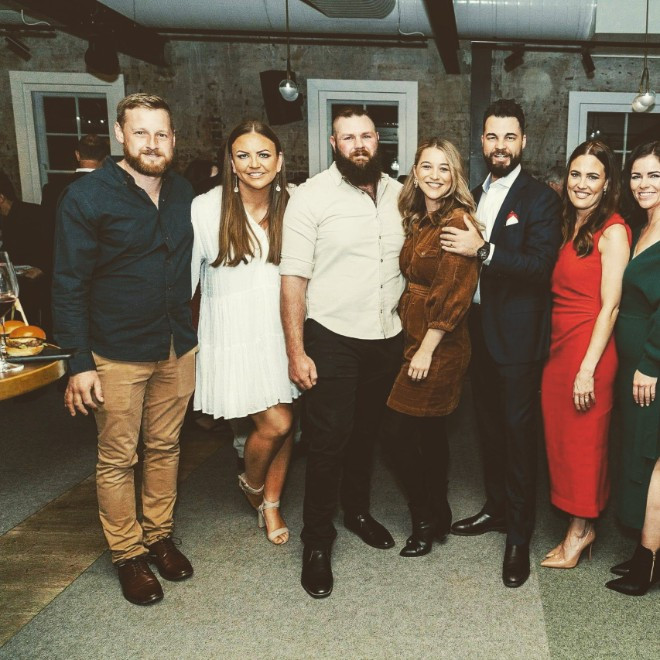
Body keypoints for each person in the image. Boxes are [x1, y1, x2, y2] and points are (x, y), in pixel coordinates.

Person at [52, 93, 197, 606]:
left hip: (176, 345)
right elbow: (68, 284)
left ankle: (158, 536)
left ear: (173, 139)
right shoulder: (86, 197)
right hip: (115, 351)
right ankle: (127, 553)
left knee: (166, 447)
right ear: (120, 134)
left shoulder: (184, 192)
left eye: (161, 134)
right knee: (117, 457)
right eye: (141, 133)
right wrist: (78, 363)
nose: (152, 144)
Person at [280, 106, 405, 598]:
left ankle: (356, 512)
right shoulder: (310, 197)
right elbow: (293, 278)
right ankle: (316, 541)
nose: (359, 145)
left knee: (365, 434)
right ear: (333, 144)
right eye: (348, 137)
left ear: (378, 140)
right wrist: (296, 350)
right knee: (329, 440)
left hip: (386, 335)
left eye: (366, 136)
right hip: (332, 335)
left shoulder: (400, 194)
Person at [440, 99, 562, 588]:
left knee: (517, 436)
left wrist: (485, 250)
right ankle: (495, 508)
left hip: (517, 341)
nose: (500, 145)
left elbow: (540, 267)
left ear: (523, 142)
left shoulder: (541, 199)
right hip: (478, 335)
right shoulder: (472, 195)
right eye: (492, 136)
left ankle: (519, 535)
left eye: (510, 137)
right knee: (488, 431)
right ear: (482, 141)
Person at [191, 119, 298, 545]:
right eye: (243, 155)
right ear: (231, 163)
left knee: (286, 421)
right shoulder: (206, 208)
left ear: (279, 161)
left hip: (282, 332)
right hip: (233, 334)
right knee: (276, 422)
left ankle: (271, 504)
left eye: (264, 154)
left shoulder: (295, 204)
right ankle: (252, 484)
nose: (254, 163)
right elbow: (186, 280)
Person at [383, 138, 480, 557]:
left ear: (454, 176)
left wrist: (427, 348)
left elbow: (455, 293)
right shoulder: (420, 219)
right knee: (429, 432)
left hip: (439, 344)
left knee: (395, 434)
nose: (435, 175)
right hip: (412, 335)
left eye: (444, 168)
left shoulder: (457, 223)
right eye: (427, 166)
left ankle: (424, 517)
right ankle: (438, 510)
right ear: (415, 172)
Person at [540, 140, 631, 569]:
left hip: (589, 351)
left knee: (584, 446)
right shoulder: (569, 223)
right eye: (575, 174)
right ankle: (576, 523)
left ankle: (581, 530)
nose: (581, 183)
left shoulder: (613, 231)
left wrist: (586, 370)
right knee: (562, 443)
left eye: (593, 176)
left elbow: (610, 306)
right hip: (559, 348)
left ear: (607, 183)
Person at [607, 140, 660, 596]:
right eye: (637, 175)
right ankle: (646, 550)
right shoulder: (644, 226)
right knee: (641, 453)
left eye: (654, 176)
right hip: (633, 362)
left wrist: (651, 362)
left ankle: (648, 562)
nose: (643, 184)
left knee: (654, 457)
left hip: (651, 365)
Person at [0, 171, 48, 327]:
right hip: (16, 282)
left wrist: (42, 269)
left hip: (39, 285)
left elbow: (56, 246)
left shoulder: (34, 214)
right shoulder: (5, 219)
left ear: (1, 198)